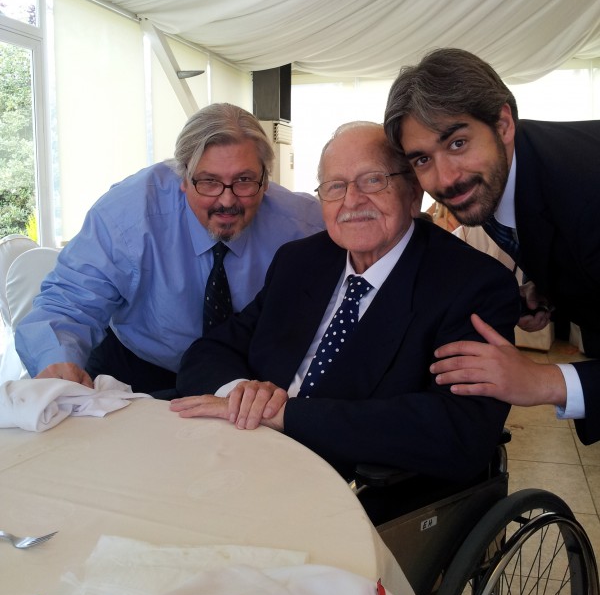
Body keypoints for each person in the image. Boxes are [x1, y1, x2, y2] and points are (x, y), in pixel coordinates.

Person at [171, 122, 520, 483]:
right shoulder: (300, 261)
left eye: (373, 180)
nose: (352, 201)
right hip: (243, 457)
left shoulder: (472, 285)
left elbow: (457, 429)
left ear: (414, 192)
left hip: (351, 489)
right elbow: (209, 351)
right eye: (335, 187)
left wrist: (284, 414)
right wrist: (241, 394)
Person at [15, 104, 324, 396]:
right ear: (184, 178)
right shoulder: (128, 215)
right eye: (209, 181)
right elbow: (70, 302)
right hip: (138, 367)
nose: (227, 201)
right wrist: (57, 360)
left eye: (244, 180)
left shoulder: (304, 225)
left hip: (241, 377)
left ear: (266, 181)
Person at [383, 47, 600, 444]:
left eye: (458, 143)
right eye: (422, 160)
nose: (445, 179)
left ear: (503, 124)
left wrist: (543, 380)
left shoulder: (589, 194)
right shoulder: (511, 171)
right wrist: (555, 289)